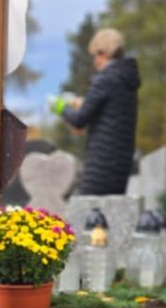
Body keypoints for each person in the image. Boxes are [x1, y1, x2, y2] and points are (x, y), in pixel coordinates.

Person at [54, 28, 141, 195]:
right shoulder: (127, 81)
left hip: (101, 164)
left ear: (105, 53)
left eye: (96, 55)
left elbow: (79, 119)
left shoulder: (105, 80)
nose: (95, 61)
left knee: (85, 213)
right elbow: (109, 115)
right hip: (121, 164)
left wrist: (60, 107)